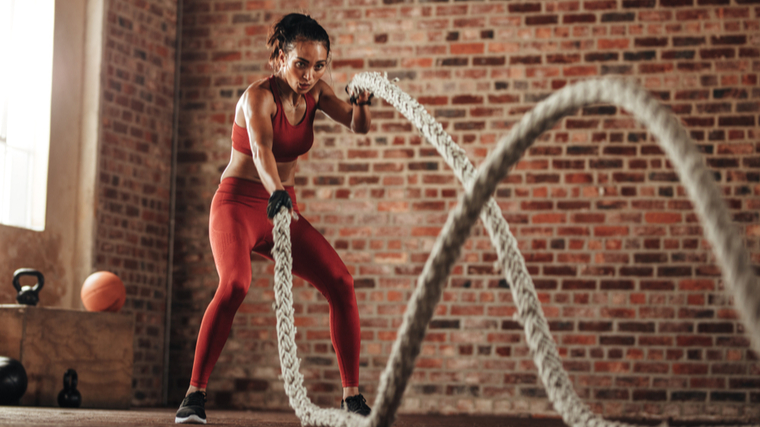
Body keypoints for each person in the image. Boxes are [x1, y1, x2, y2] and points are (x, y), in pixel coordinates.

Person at [175, 13, 373, 425]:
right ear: (279, 58)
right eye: (301, 63)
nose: (309, 74)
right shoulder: (257, 98)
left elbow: (358, 128)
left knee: (341, 282)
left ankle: (352, 397)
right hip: (240, 204)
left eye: (319, 65)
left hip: (282, 207)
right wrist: (277, 191)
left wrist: (361, 105)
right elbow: (263, 152)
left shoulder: (316, 93)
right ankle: (194, 396)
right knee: (234, 285)